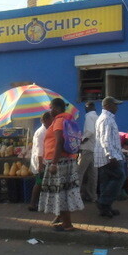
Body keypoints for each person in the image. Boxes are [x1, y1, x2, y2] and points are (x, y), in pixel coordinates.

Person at [38, 98, 83, 231]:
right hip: (68, 160)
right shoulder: (68, 119)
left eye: (51, 107)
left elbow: (59, 142)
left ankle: (67, 225)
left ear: (56, 108)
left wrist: (54, 163)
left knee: (61, 193)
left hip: (59, 162)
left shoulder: (58, 121)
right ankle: (62, 219)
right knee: (64, 192)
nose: (49, 110)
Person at [94, 96, 126, 218]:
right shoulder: (106, 119)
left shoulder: (106, 118)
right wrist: (111, 155)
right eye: (115, 105)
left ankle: (105, 208)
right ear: (107, 106)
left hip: (104, 156)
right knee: (120, 176)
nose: (116, 107)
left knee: (106, 182)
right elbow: (105, 139)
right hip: (107, 156)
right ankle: (103, 202)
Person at [28, 112, 53, 211]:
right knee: (38, 182)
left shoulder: (47, 130)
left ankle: (41, 203)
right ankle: (32, 204)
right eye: (51, 119)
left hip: (45, 161)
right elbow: (39, 150)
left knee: (43, 183)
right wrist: (40, 165)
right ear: (46, 120)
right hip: (41, 162)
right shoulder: (41, 132)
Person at [77, 101, 98, 202]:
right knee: (93, 174)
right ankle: (92, 196)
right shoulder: (96, 117)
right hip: (94, 148)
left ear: (88, 107)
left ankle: (75, 196)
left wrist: (81, 140)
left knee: (79, 172)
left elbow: (89, 131)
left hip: (87, 148)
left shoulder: (89, 116)